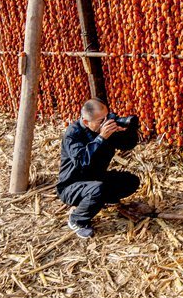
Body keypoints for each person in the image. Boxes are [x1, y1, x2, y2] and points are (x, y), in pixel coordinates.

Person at [57, 99, 142, 238]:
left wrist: (131, 129)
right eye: (101, 120)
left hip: (97, 178)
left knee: (131, 181)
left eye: (107, 117)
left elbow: (127, 144)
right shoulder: (73, 134)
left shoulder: (104, 129)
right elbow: (82, 161)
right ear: (86, 122)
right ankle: (77, 220)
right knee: (97, 190)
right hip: (72, 186)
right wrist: (101, 138)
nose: (106, 123)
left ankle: (98, 201)